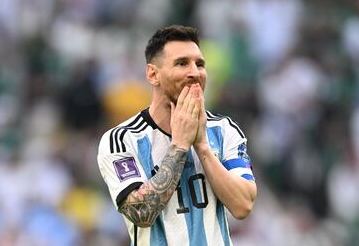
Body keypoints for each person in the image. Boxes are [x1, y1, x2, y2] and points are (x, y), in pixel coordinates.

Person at [97, 25, 257, 246]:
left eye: (199, 64)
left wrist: (201, 146)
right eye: (182, 63)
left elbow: (243, 206)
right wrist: (180, 146)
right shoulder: (122, 140)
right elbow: (140, 213)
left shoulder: (224, 129)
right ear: (153, 74)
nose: (195, 72)